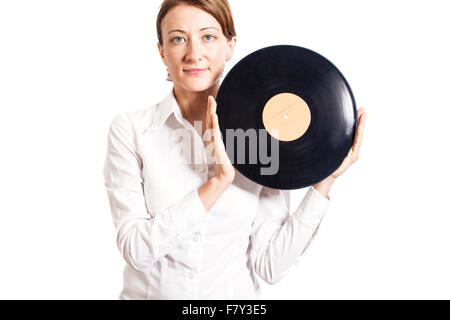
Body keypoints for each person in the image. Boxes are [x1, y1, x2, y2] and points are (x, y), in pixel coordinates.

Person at [102, 0, 367, 300]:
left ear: (230, 45)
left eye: (208, 36)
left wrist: (323, 183)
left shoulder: (266, 137)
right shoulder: (132, 130)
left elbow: (270, 266)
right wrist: (218, 183)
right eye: (178, 38)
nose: (194, 53)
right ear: (162, 50)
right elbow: (136, 250)